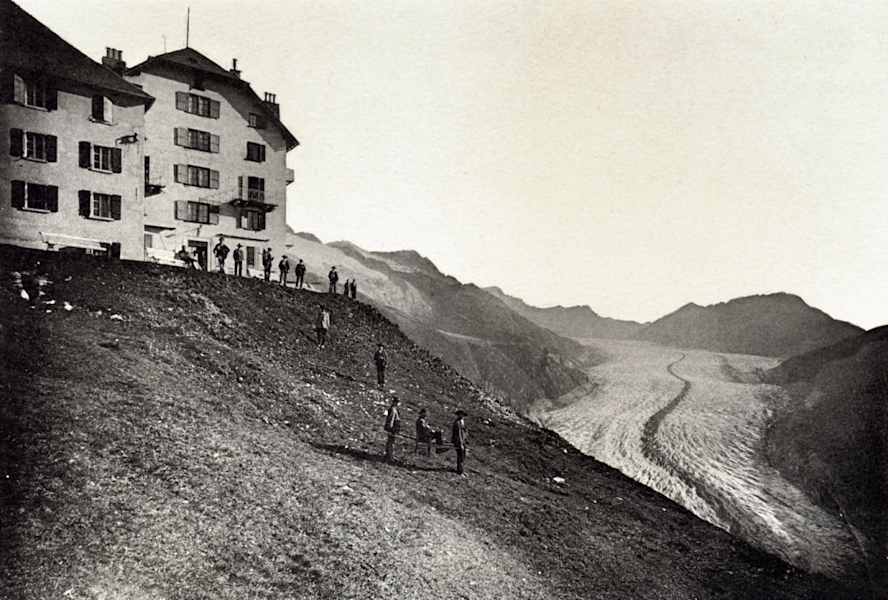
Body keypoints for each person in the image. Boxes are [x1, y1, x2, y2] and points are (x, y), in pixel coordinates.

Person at [384, 396, 401, 462]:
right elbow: (391, 419)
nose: (397, 404)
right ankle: (390, 457)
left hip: (393, 428)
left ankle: (388, 455)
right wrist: (390, 429)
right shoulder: (393, 410)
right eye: (396, 402)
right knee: (391, 442)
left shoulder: (394, 409)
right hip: (392, 428)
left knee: (390, 442)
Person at [451, 409, 468, 476]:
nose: (462, 416)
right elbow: (458, 434)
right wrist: (460, 443)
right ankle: (460, 471)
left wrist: (465, 439)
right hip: (458, 441)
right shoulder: (457, 423)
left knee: (463, 455)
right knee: (460, 455)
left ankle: (461, 470)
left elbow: (463, 432)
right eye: (461, 415)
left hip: (462, 441)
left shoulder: (462, 421)